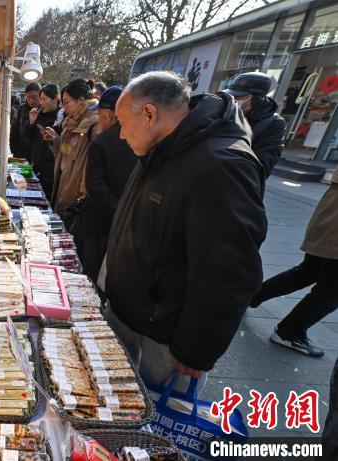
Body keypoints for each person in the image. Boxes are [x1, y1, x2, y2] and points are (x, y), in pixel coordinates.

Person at [101, 71, 267, 389]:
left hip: (163, 338)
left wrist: (195, 349)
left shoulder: (221, 165)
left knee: (158, 425)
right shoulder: (160, 147)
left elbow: (228, 273)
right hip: (131, 314)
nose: (120, 135)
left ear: (149, 114)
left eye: (123, 123)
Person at [250, 173, 338, 357]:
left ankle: (250, 296)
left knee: (308, 272)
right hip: (333, 226)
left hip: (330, 215)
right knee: (331, 290)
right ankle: (289, 332)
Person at [79, 86, 138, 281]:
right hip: (125, 222)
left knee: (92, 274)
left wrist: (116, 208)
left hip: (98, 222)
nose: (99, 119)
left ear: (111, 114)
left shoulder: (102, 142)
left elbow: (94, 186)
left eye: (101, 115)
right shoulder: (139, 139)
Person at [41, 79, 100, 218]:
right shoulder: (69, 123)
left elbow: (93, 165)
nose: (63, 107)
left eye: (66, 102)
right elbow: (64, 153)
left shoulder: (95, 124)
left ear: (80, 100)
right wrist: (55, 140)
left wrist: (83, 195)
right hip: (63, 185)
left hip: (77, 195)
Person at [226, 71, 286, 177]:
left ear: (257, 99)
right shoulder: (226, 111)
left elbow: (265, 162)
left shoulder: (274, 123)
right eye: (232, 96)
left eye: (240, 97)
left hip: (237, 178)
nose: (234, 100)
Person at [26, 84, 60, 201]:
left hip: (51, 174)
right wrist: (31, 122)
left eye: (44, 99)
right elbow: (28, 140)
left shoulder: (61, 118)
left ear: (55, 99)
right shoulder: (38, 115)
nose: (41, 103)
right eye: (40, 99)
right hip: (37, 170)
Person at [10, 82, 42, 160]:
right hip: (21, 154)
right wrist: (14, 152)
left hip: (38, 155)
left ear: (40, 96)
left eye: (34, 97)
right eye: (28, 97)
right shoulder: (20, 109)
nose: (31, 100)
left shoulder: (44, 110)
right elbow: (13, 132)